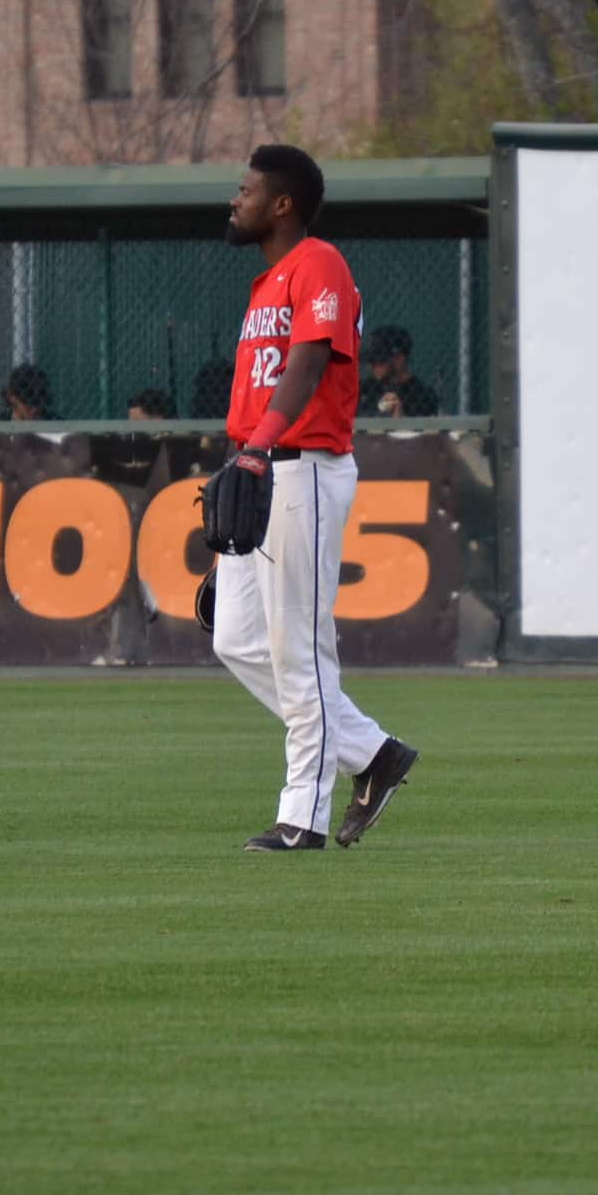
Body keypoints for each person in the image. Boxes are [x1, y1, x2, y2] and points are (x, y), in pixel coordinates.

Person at [212, 143, 419, 853]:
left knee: (298, 650)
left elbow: (309, 361)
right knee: (235, 636)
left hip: (302, 468)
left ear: (282, 203)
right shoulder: (268, 282)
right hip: (264, 465)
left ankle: (303, 817)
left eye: (245, 190)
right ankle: (373, 754)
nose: (233, 201)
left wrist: (259, 444)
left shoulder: (318, 262)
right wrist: (242, 456)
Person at [356, 325, 440, 418]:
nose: (372, 366)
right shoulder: (364, 389)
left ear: (399, 359)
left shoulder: (423, 396)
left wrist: (400, 417)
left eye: (378, 360)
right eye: (370, 360)